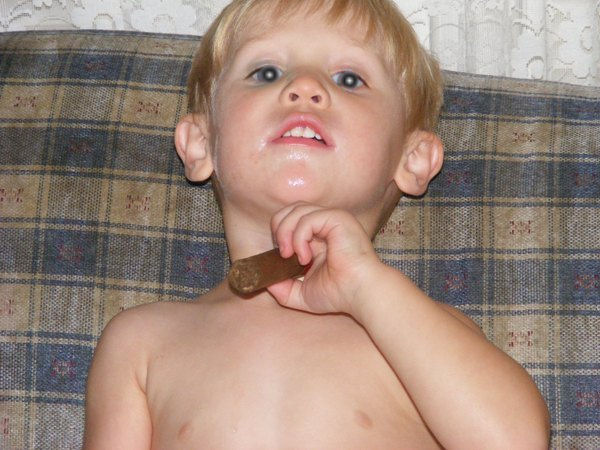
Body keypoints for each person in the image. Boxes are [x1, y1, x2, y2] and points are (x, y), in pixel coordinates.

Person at [83, 0, 551, 448]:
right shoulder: (142, 341)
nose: (305, 86)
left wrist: (367, 287)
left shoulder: (420, 336)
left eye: (349, 79)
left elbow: (517, 442)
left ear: (413, 159)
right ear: (201, 143)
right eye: (266, 72)